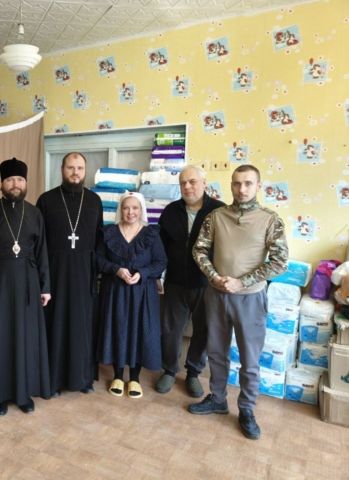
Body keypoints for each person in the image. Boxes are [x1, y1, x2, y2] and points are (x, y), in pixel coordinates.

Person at [190, 164, 288, 440]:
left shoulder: (270, 220)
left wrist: (241, 282)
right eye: (236, 183)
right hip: (217, 295)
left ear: (258, 186)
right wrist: (214, 276)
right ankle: (218, 398)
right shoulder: (216, 216)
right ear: (231, 185)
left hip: (250, 298)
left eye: (248, 183)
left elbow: (280, 262)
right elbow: (199, 250)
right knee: (216, 352)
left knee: (249, 358)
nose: (241, 189)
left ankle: (246, 409)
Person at [0, 158, 51, 416]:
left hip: (28, 282)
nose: (15, 184)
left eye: (20, 180)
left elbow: (42, 253)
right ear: (2, 183)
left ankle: (23, 393)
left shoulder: (35, 214)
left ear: (25, 183)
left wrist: (45, 287)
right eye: (10, 180)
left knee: (26, 337)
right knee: (0, 336)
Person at [36, 152, 103, 396]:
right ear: (62, 170)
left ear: (85, 171)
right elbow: (39, 243)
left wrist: (96, 275)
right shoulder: (46, 200)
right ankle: (53, 380)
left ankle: (83, 378)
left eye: (80, 168)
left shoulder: (94, 200)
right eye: (71, 168)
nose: (75, 172)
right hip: (55, 272)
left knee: (82, 327)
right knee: (56, 325)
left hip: (84, 274)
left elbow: (98, 240)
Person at [155, 166, 226, 397]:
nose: (187, 187)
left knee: (203, 331)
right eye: (183, 183)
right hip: (175, 282)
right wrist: (157, 275)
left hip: (207, 284)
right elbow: (160, 248)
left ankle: (193, 373)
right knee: (170, 330)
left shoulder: (219, 211)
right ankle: (169, 370)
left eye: (192, 181)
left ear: (204, 183)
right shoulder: (170, 211)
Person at [96, 192, 167, 399]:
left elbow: (161, 262)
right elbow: (97, 259)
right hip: (115, 291)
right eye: (126, 207)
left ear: (141, 210)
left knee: (139, 331)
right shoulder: (109, 232)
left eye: (135, 208)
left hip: (143, 293)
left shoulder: (151, 234)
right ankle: (118, 376)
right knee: (117, 329)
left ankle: (134, 378)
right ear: (121, 209)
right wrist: (116, 270)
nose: (130, 212)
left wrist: (142, 273)